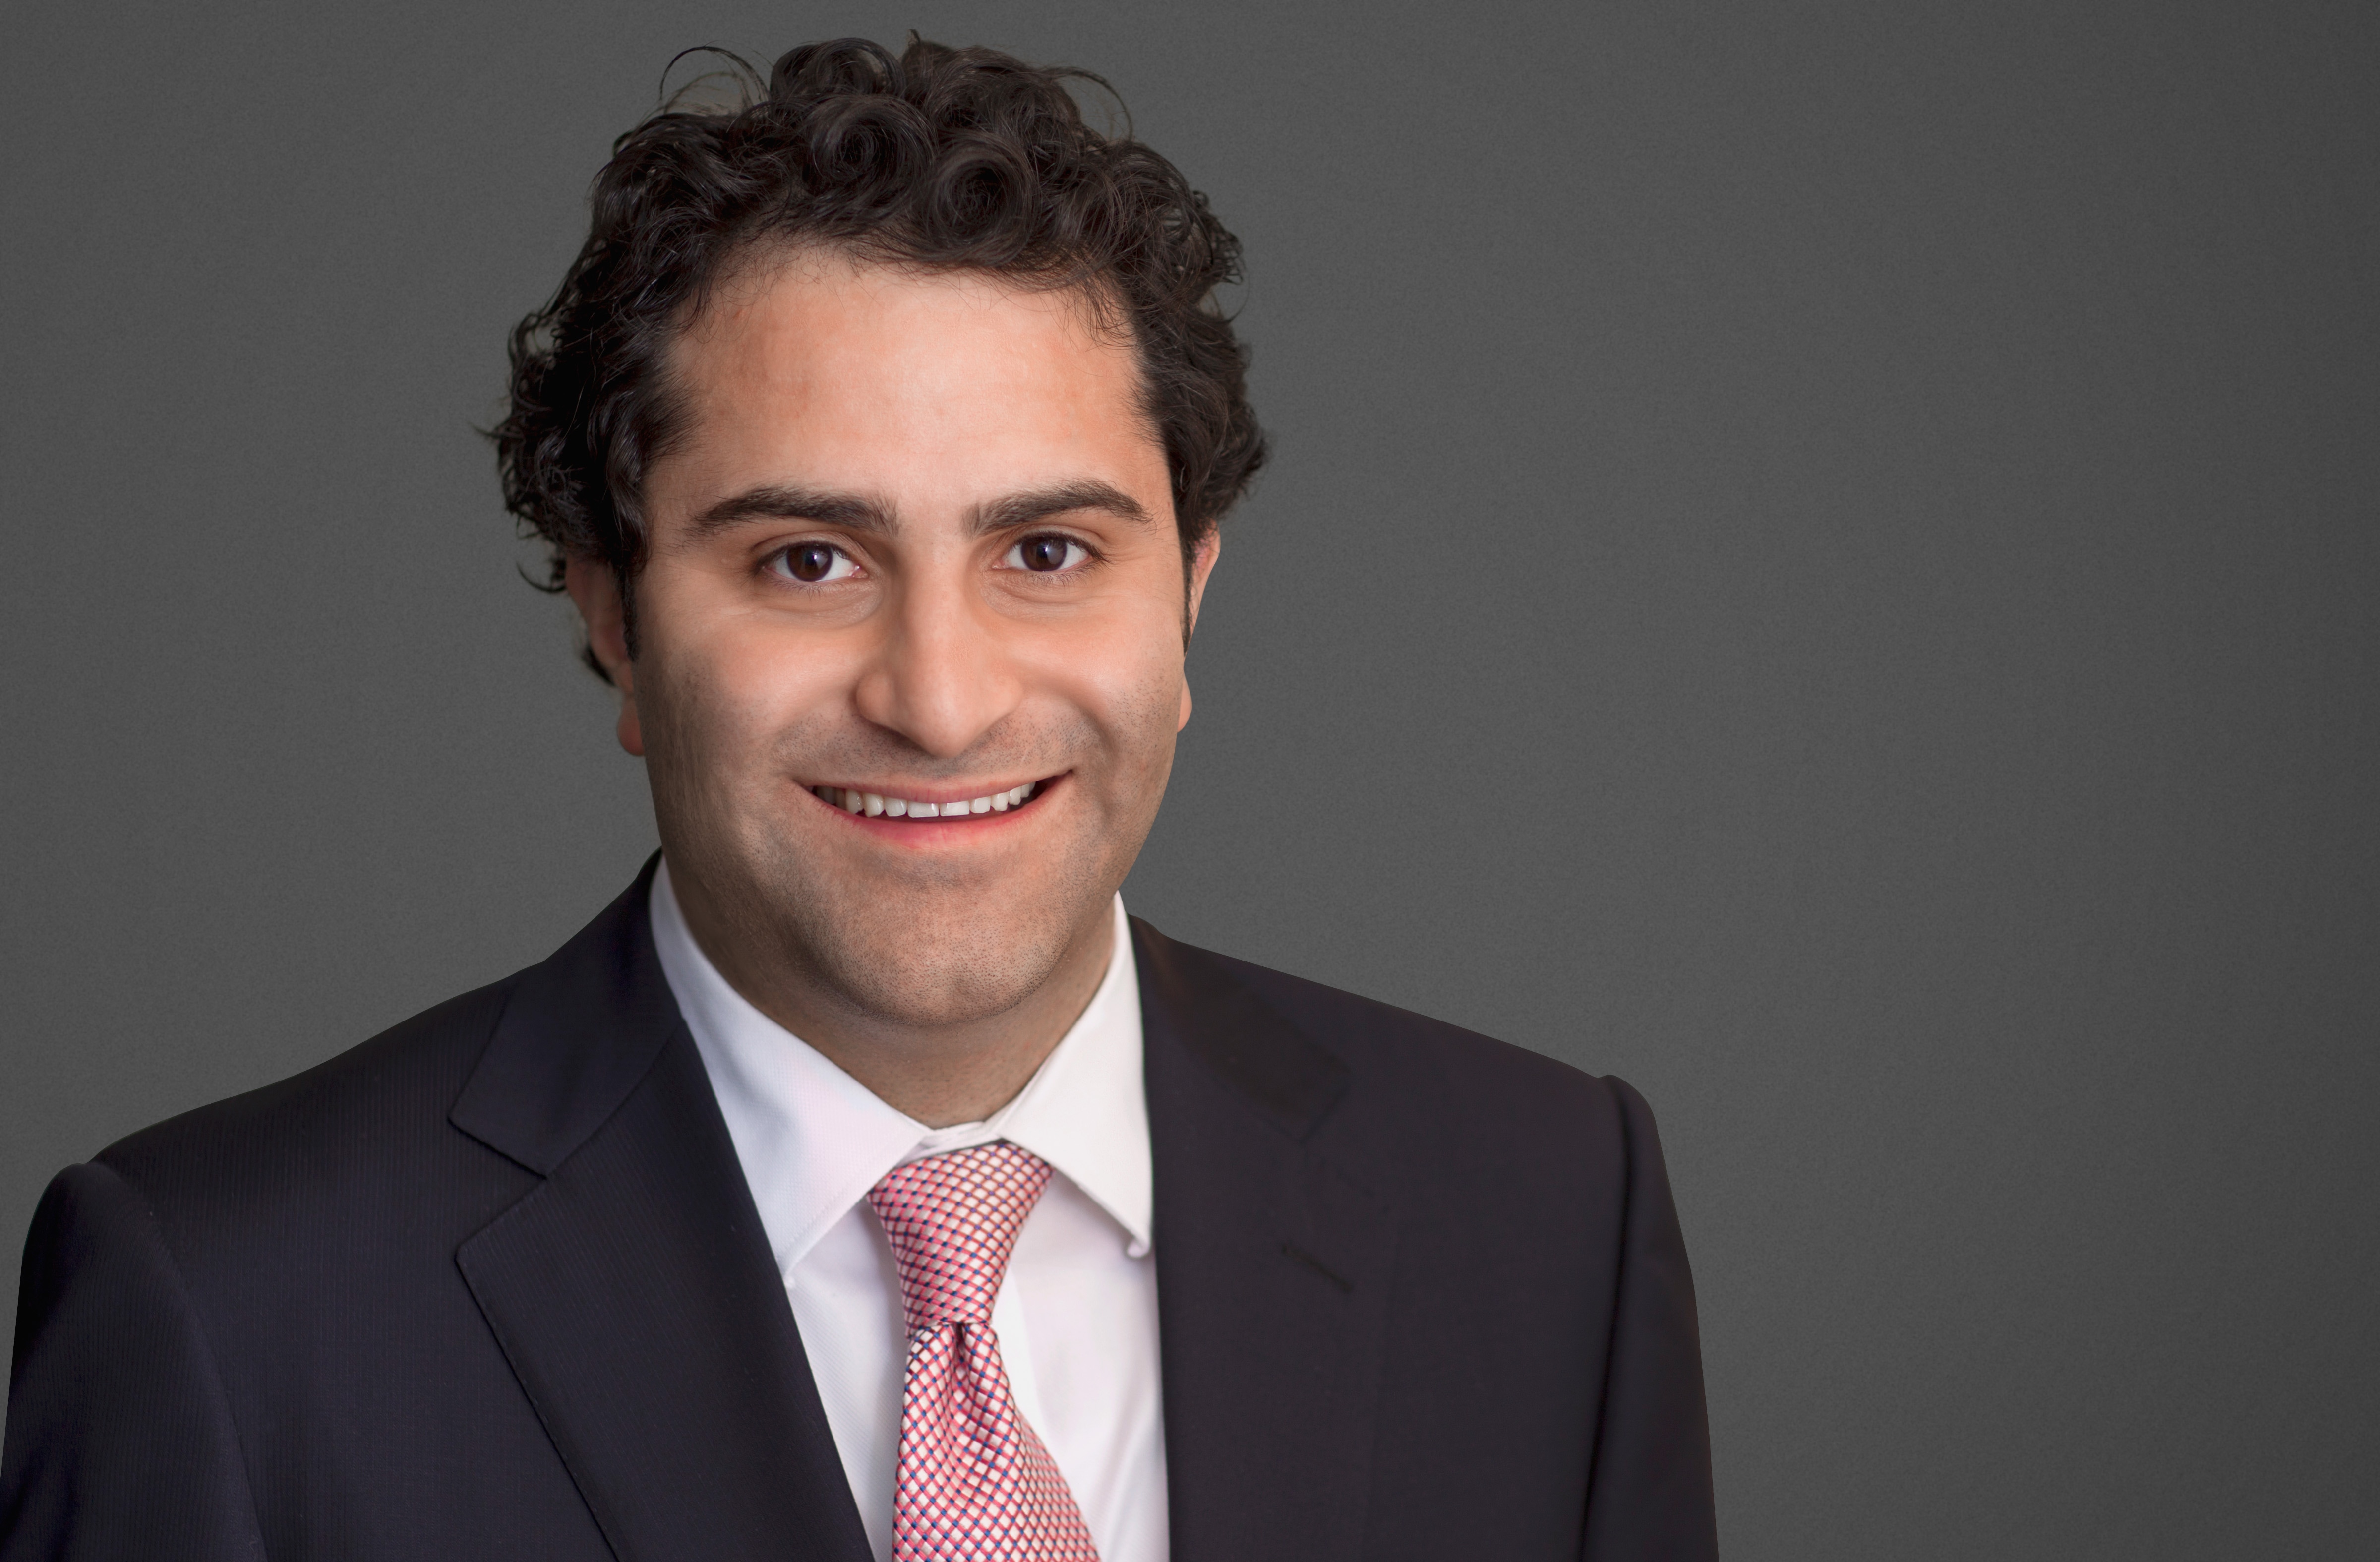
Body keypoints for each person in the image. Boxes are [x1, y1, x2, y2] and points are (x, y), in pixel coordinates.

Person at [0, 36, 1716, 1562]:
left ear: (1189, 599)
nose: (941, 701)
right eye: (808, 560)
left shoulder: (1548, 1213)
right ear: (616, 619)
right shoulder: (225, 1302)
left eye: (1049, 552)